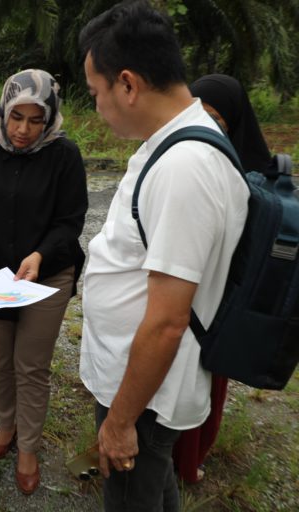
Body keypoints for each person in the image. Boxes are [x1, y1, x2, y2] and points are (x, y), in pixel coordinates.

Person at [78, 2, 250, 510]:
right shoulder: (176, 143)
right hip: (141, 384)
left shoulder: (184, 168)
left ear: (127, 84)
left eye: (96, 93)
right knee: (153, 489)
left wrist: (121, 421)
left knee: (133, 496)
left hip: (146, 396)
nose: (96, 109)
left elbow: (168, 322)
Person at [0, 69, 88, 494]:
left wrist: (40, 254)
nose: (23, 129)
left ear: (49, 117)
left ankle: (28, 445)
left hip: (45, 277)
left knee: (31, 365)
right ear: (3, 111)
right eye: (16, 117)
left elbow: (71, 221)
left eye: (34, 119)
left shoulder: (64, 156)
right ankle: (6, 425)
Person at [171, 73, 273, 484]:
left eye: (216, 119)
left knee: (205, 385)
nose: (206, 127)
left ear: (234, 121)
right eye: (198, 115)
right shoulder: (184, 160)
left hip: (220, 303)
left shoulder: (254, 177)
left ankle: (188, 463)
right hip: (180, 296)